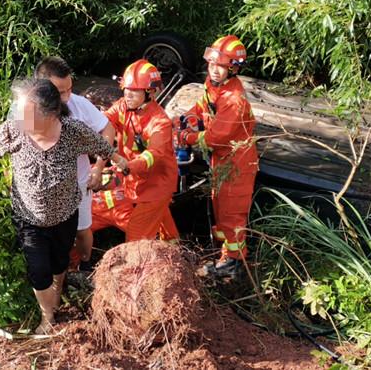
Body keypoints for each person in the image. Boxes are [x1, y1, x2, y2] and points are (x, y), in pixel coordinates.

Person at [0, 78, 127, 334]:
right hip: (29, 217)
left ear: (51, 114)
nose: (20, 119)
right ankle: (48, 316)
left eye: (27, 114)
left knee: (60, 262)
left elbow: (103, 146)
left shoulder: (73, 131)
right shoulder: (14, 131)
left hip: (65, 214)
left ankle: (57, 294)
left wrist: (117, 161)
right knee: (39, 271)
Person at [175, 34, 258, 278]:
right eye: (212, 65)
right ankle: (226, 255)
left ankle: (235, 263)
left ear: (233, 68)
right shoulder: (214, 86)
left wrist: (186, 138)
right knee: (221, 209)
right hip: (222, 160)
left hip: (237, 163)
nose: (215, 70)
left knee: (232, 214)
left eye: (221, 67)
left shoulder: (234, 100)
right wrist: (185, 119)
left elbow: (215, 137)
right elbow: (201, 108)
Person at [34, 57, 115, 267]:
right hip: (42, 186)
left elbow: (107, 129)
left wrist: (98, 168)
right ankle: (56, 273)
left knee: (81, 229)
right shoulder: (24, 109)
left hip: (78, 183)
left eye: (69, 89)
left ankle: (86, 265)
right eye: (61, 92)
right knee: (47, 234)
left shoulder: (79, 106)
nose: (67, 96)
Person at [104, 59, 180, 242]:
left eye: (134, 90)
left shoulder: (159, 122)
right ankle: (176, 254)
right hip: (137, 181)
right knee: (164, 225)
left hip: (156, 186)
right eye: (126, 89)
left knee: (136, 237)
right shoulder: (124, 105)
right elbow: (106, 119)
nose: (127, 94)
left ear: (150, 92)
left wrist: (127, 166)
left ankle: (138, 269)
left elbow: (154, 154)